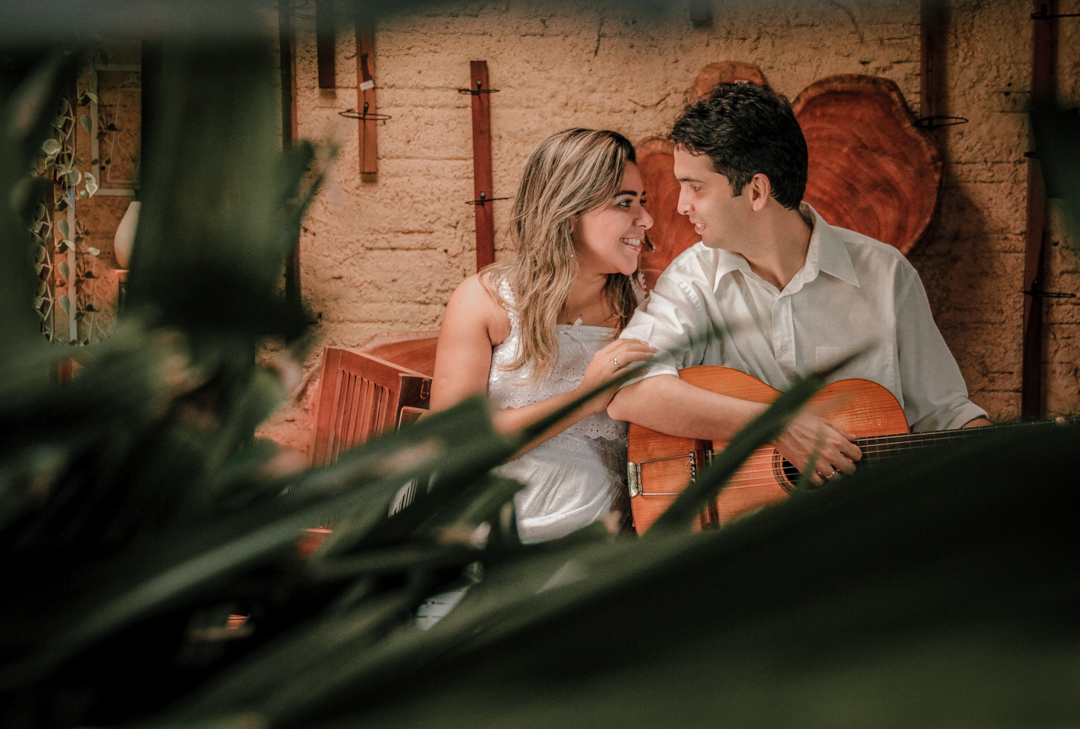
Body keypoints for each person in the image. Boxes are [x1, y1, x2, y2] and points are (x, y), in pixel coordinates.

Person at [607, 83, 990, 487]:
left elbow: (945, 415)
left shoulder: (886, 274)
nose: (681, 205)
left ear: (756, 191)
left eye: (696, 187)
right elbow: (629, 389)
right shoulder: (692, 280)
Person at [430, 128, 656, 543]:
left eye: (643, 201)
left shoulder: (646, 306)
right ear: (567, 212)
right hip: (490, 535)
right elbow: (456, 444)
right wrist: (584, 398)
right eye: (625, 203)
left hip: (601, 542)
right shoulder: (484, 301)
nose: (646, 220)